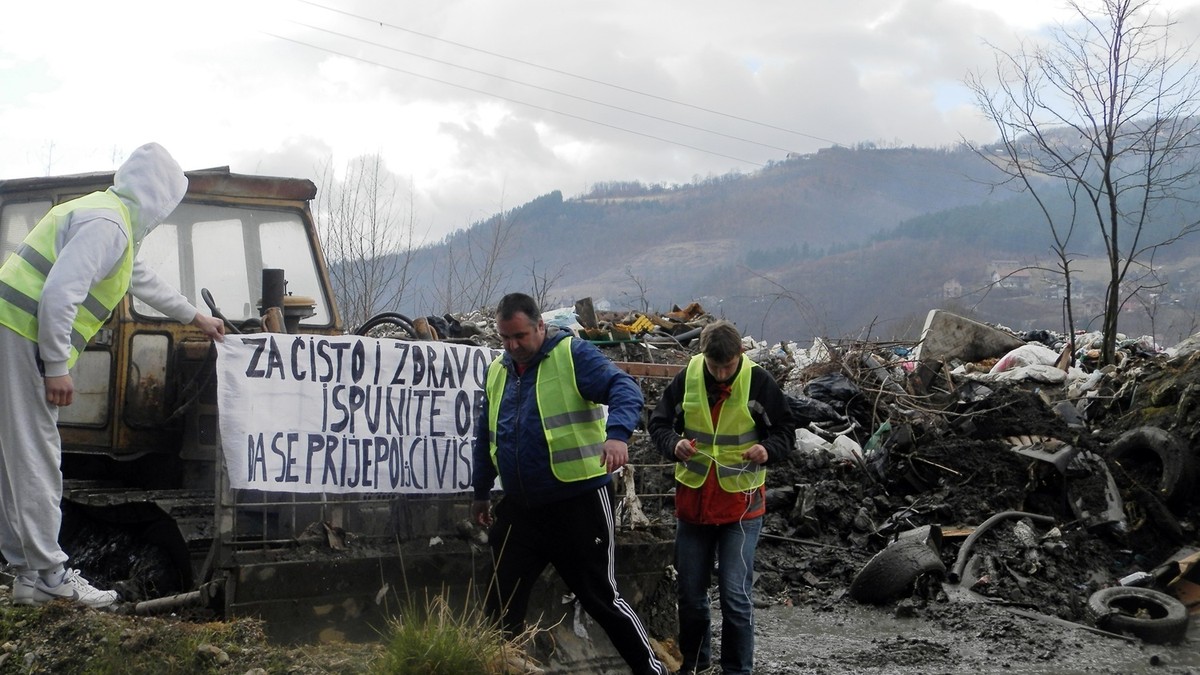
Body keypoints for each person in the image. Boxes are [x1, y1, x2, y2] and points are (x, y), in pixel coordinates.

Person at [0, 142, 225, 609]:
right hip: (20, 331)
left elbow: (140, 280)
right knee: (36, 454)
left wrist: (195, 317)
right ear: (158, 195)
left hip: (10, 328)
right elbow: (60, 295)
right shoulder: (108, 225)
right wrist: (58, 366)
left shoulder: (110, 220)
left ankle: (26, 573)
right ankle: (49, 575)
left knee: (14, 456)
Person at [471, 292, 667, 675]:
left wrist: (617, 435)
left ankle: (652, 671)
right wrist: (481, 492)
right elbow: (485, 435)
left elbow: (624, 388)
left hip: (577, 503)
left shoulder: (571, 355)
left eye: (520, 337)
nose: (512, 346)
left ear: (540, 326)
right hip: (522, 508)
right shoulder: (498, 371)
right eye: (505, 339)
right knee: (500, 597)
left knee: (600, 598)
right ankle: (501, 666)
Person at [649, 320, 795, 675]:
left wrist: (766, 450)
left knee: (735, 598)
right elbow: (658, 424)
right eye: (714, 367)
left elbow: (786, 431)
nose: (720, 374)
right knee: (691, 598)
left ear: (739, 356)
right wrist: (674, 444)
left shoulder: (758, 381)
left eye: (727, 367)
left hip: (741, 508)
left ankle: (736, 670)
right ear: (703, 356)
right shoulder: (688, 378)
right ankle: (695, 665)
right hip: (694, 506)